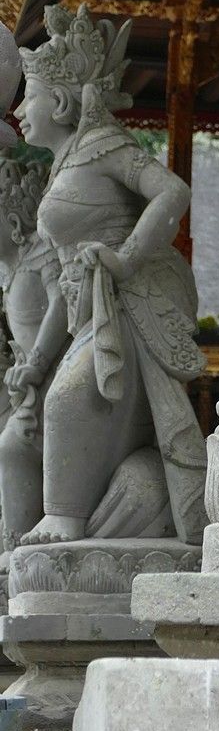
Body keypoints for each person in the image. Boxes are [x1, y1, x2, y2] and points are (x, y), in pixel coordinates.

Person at [17, 5, 206, 545]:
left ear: (59, 102)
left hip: (128, 302)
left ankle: (66, 518)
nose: (18, 112)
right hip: (89, 307)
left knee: (67, 398)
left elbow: (172, 191)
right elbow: (65, 282)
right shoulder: (65, 164)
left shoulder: (105, 144)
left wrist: (126, 258)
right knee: (53, 400)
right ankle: (74, 516)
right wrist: (35, 362)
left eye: (28, 97)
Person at [0, 154, 67, 556]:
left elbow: (61, 304)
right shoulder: (12, 268)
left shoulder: (43, 253)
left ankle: (16, 549)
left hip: (53, 374)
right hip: (25, 383)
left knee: (12, 447)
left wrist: (38, 363)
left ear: (12, 221)